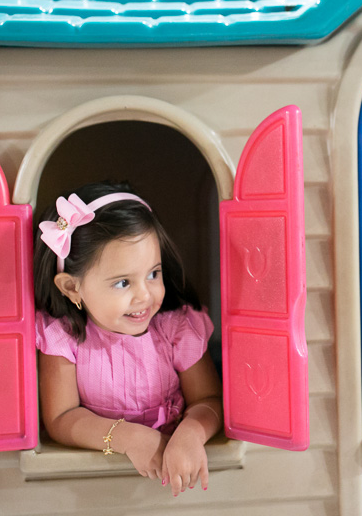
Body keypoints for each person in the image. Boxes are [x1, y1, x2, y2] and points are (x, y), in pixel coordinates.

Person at [33, 181, 222, 496]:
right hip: (93, 491)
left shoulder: (177, 330)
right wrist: (128, 437)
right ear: (71, 288)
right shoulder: (62, 339)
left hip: (174, 486)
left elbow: (209, 400)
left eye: (153, 274)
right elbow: (61, 418)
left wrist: (190, 435)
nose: (145, 296)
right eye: (123, 283)